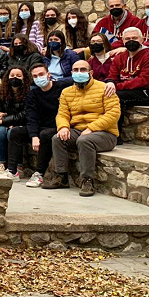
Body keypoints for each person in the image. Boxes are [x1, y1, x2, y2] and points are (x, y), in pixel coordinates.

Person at [45, 59, 120, 196]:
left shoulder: (105, 88)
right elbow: (62, 114)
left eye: (83, 70)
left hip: (105, 134)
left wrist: (92, 128)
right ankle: (61, 177)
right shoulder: (66, 92)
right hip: (79, 130)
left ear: (91, 72)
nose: (79, 73)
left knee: (84, 140)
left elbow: (113, 114)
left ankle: (87, 180)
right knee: (57, 138)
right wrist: (63, 127)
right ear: (71, 73)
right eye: (76, 70)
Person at [104, 26, 149, 142]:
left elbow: (143, 80)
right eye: (127, 39)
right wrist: (111, 83)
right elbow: (112, 76)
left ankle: (114, 136)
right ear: (122, 41)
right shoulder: (120, 58)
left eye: (134, 38)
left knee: (116, 96)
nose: (131, 41)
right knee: (105, 94)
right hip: (129, 90)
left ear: (142, 40)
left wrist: (116, 87)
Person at [24, 63, 69, 188]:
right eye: (35, 76)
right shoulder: (33, 95)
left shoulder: (62, 87)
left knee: (45, 135)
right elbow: (32, 117)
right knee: (16, 132)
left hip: (60, 125)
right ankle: (13, 170)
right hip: (41, 126)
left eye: (41, 74)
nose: (39, 78)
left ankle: (39, 173)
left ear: (49, 75)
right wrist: (33, 135)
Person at [0, 66, 29, 178]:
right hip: (6, 122)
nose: (15, 78)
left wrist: (5, 119)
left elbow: (24, 113)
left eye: (18, 76)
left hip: (22, 123)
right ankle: (1, 164)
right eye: (12, 75)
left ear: (24, 78)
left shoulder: (29, 92)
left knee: (12, 133)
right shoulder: (2, 91)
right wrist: (2, 117)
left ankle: (18, 166)